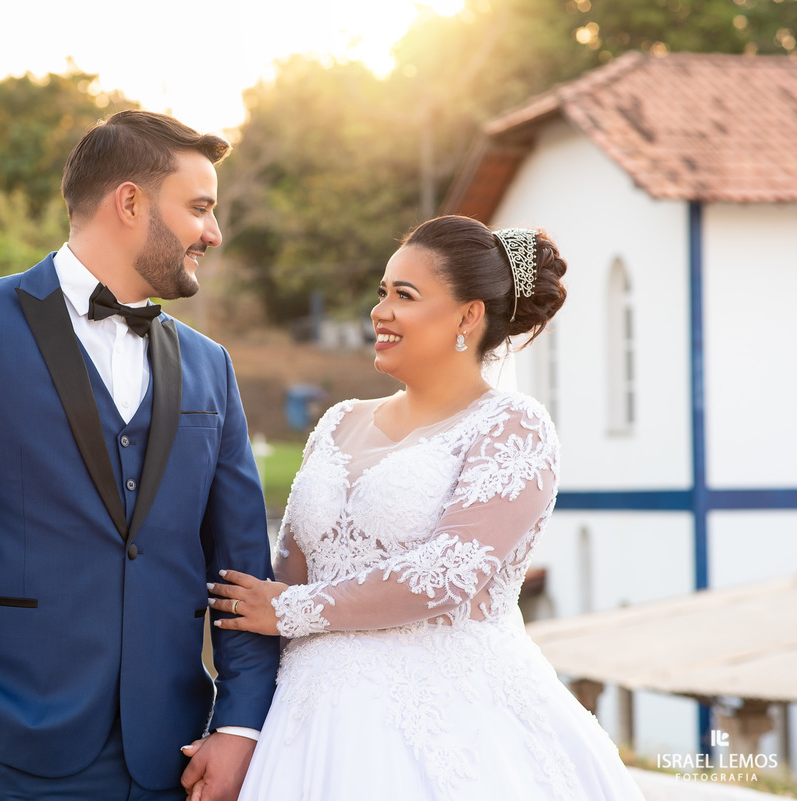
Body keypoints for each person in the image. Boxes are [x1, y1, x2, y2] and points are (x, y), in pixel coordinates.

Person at [0, 110, 279, 801]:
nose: (213, 233)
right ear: (129, 202)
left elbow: (241, 565)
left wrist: (241, 725)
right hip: (12, 748)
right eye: (199, 208)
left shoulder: (209, 366)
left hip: (178, 759)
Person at [205, 215, 647, 799]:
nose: (379, 311)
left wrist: (291, 609)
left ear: (469, 316)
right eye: (382, 293)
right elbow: (286, 577)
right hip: (305, 719)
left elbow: (450, 571)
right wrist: (240, 722)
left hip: (451, 718)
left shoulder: (512, 426)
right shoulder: (338, 423)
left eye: (404, 296)